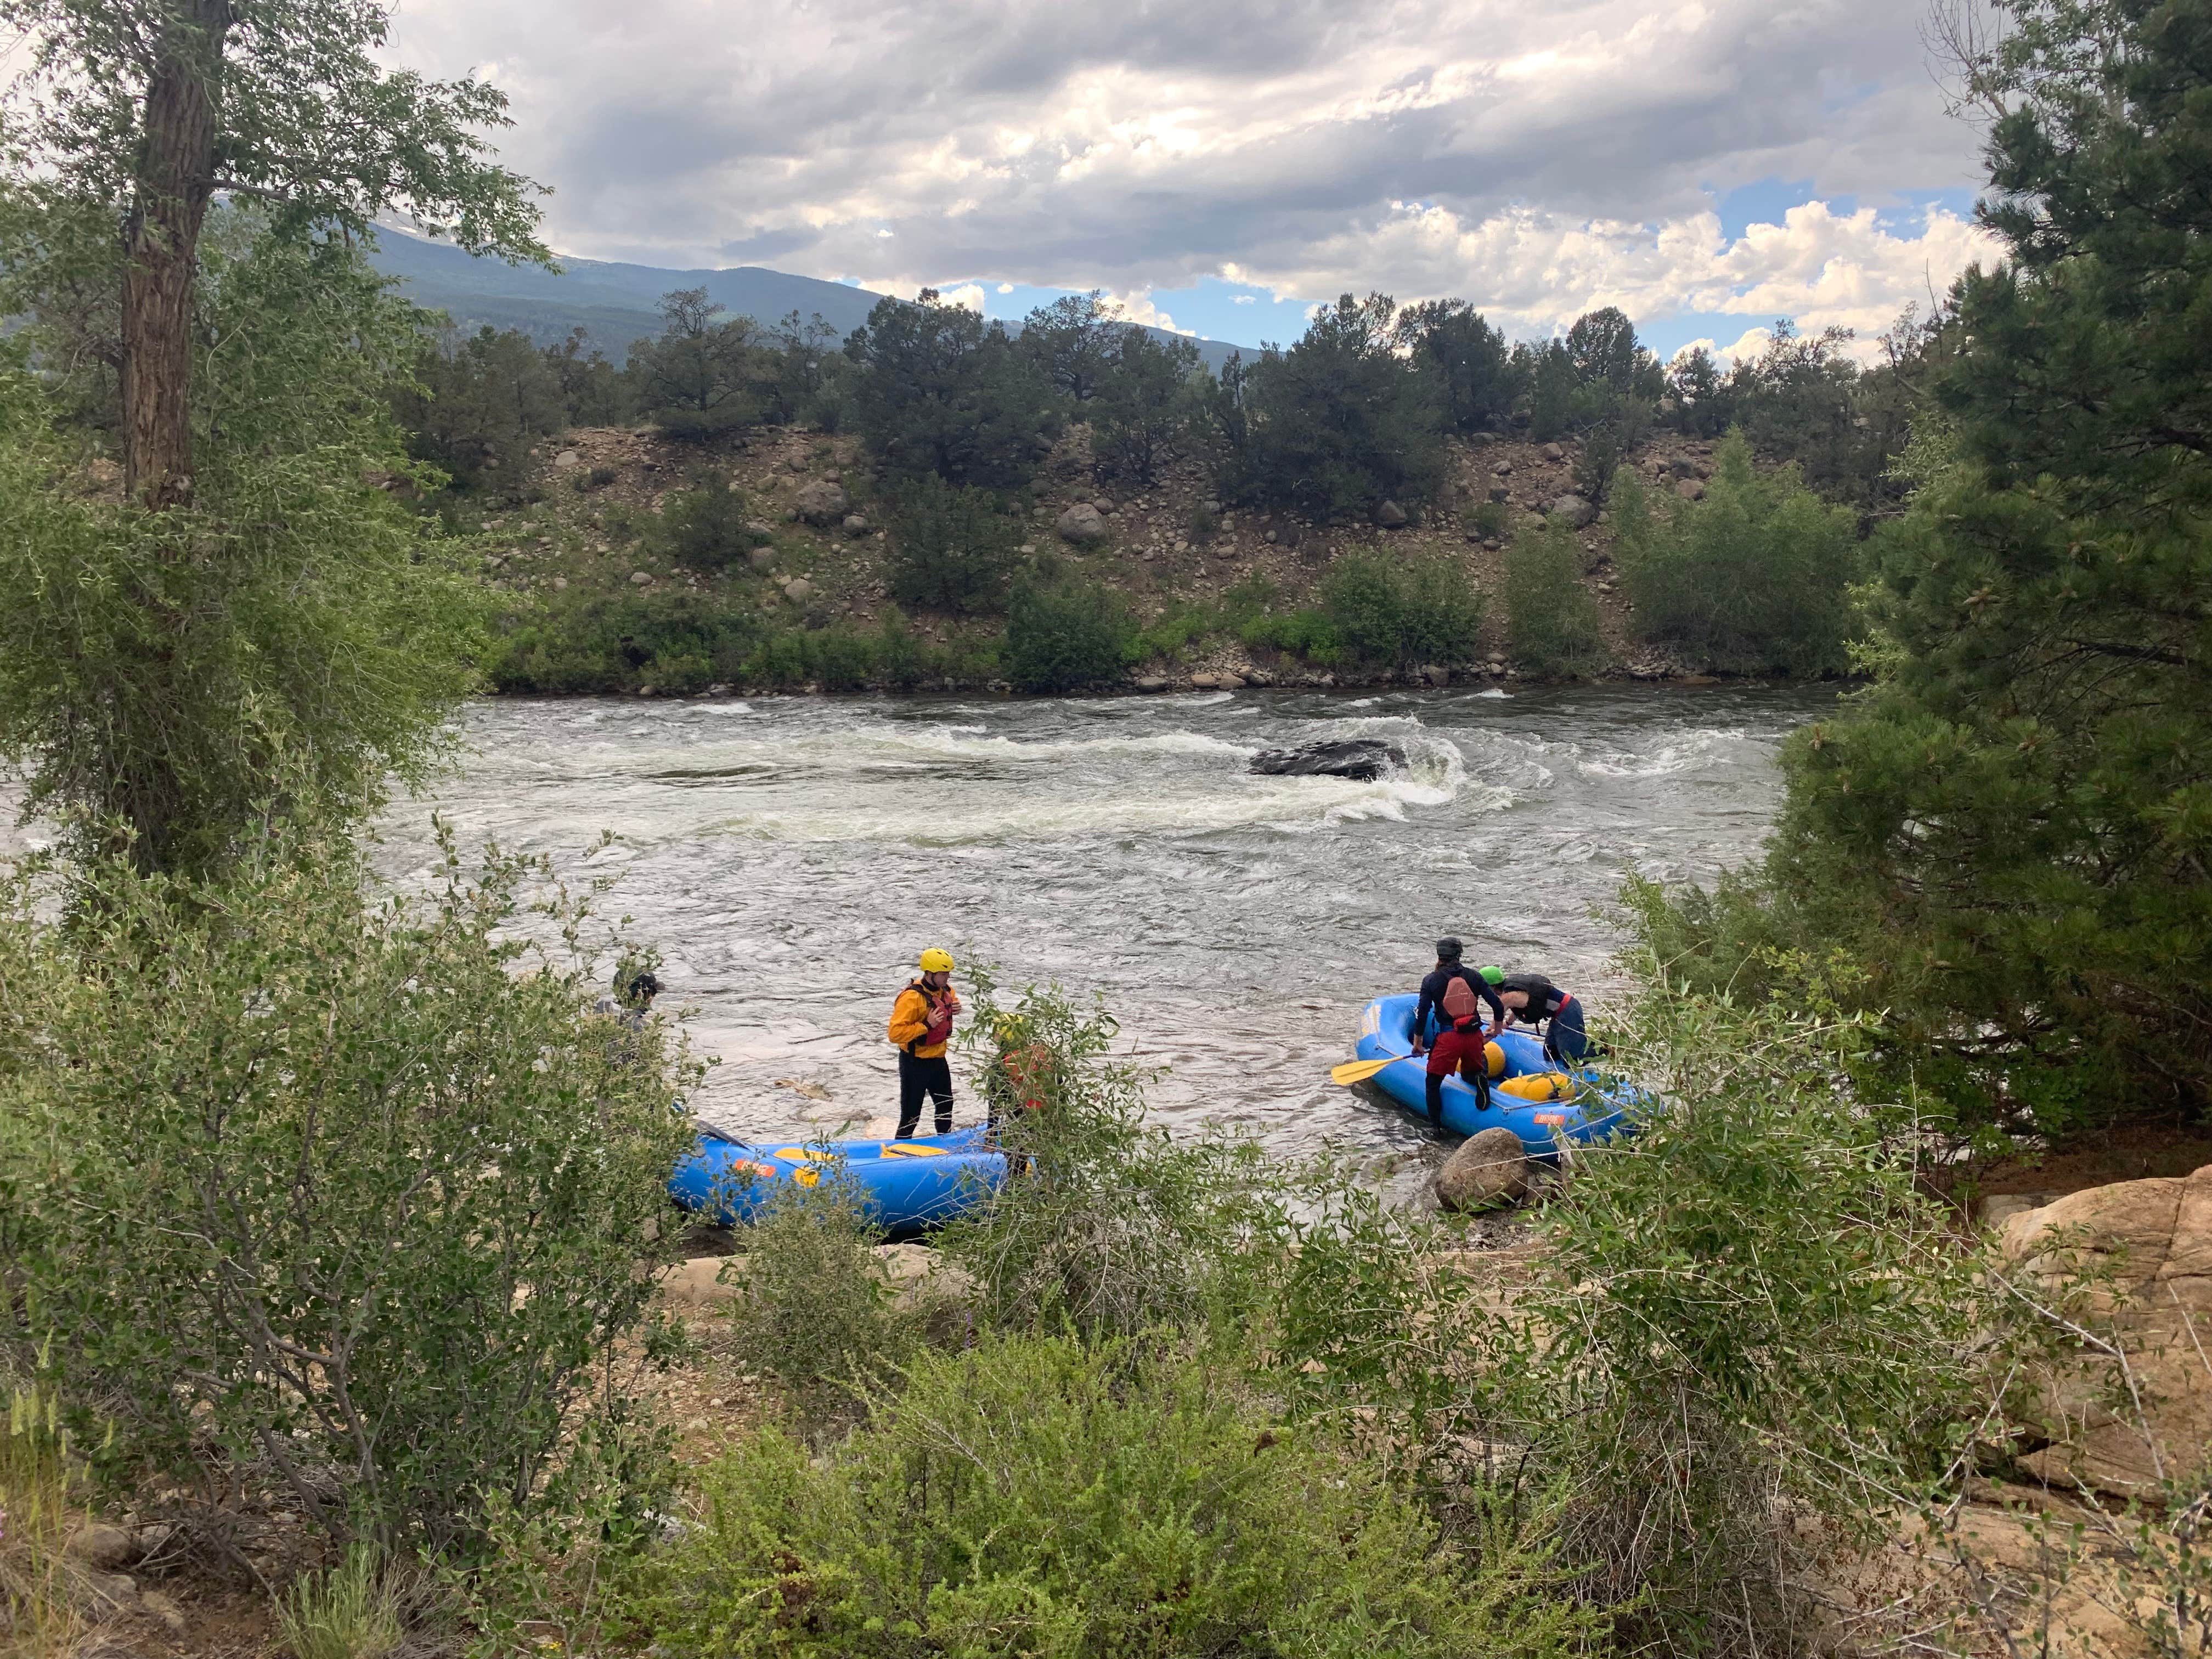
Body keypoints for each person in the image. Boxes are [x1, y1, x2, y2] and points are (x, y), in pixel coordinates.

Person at [1410, 938, 1504, 1126]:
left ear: (1439, 955)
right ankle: (1480, 1079)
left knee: (1433, 1083)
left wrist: (1418, 1043)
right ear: (1459, 954)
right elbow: (1497, 1005)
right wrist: (1497, 1029)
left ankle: (1435, 1129)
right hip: (1473, 1036)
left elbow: (1422, 1013)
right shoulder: (1475, 976)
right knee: (1472, 1072)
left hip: (1448, 1039)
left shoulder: (1431, 980)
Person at [888, 949, 962, 1138]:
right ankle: (898, 1152)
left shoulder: (947, 990)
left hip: (938, 1060)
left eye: (948, 973)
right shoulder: (911, 998)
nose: (948, 977)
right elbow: (895, 1034)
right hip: (914, 1063)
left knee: (946, 1107)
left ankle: (946, 1146)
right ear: (929, 973)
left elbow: (951, 1001)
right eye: (943, 974)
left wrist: (956, 1007)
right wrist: (926, 1025)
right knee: (911, 1116)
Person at [1496, 970, 1592, 1066]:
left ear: (1493, 988)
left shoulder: (1509, 995)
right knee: (1550, 1053)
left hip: (1568, 1011)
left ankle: (1603, 1048)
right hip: (1558, 1015)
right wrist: (1508, 1023)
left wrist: (1490, 1035)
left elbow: (1496, 1024)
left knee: (1573, 1060)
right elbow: (1519, 1009)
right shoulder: (1514, 990)